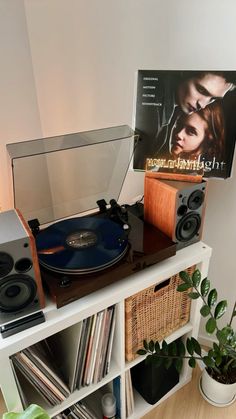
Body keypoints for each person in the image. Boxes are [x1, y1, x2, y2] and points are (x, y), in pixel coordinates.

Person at [133, 70, 235, 169]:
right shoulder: (152, 109)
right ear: (184, 73)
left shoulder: (171, 111)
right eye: (201, 90)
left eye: (213, 99)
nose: (203, 105)